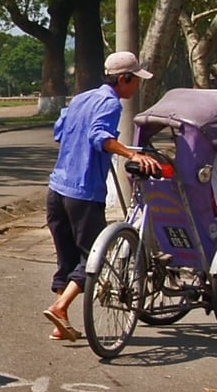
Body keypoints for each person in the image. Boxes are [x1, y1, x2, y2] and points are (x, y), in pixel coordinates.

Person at [42, 51, 159, 341]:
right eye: (135, 80)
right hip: (84, 192)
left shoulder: (81, 98)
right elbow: (100, 136)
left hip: (57, 188)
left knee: (66, 258)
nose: (137, 86)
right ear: (124, 79)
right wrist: (131, 154)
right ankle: (60, 306)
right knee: (94, 254)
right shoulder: (110, 103)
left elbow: (59, 131)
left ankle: (60, 324)